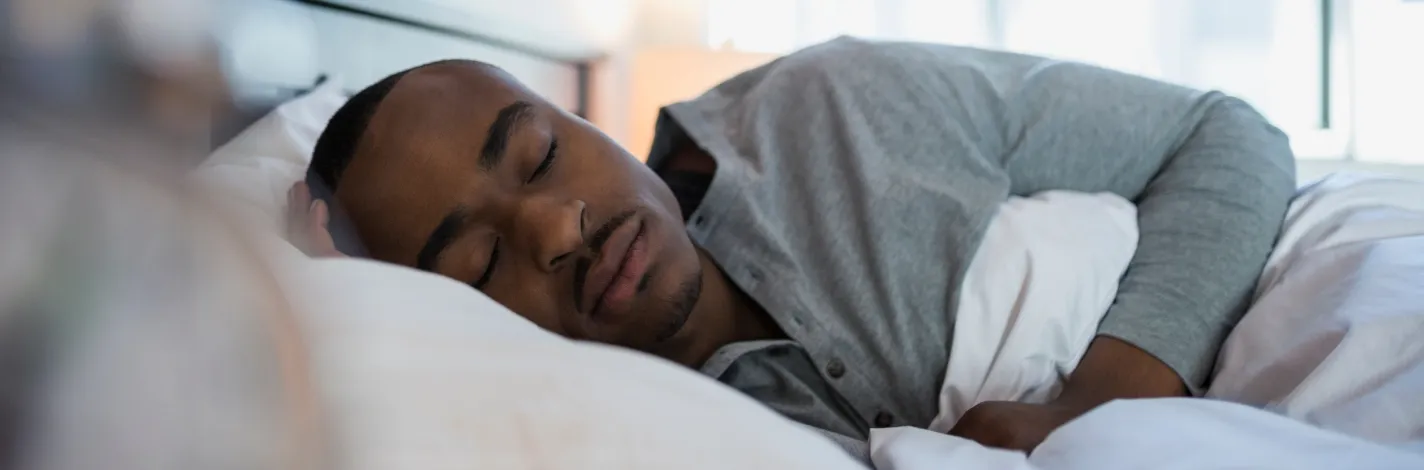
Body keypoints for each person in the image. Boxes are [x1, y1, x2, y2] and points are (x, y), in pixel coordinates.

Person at [287, 37, 1295, 458]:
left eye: (543, 152)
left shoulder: (838, 108)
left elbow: (1222, 133)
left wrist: (1100, 397)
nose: (555, 227)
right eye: (476, 265)